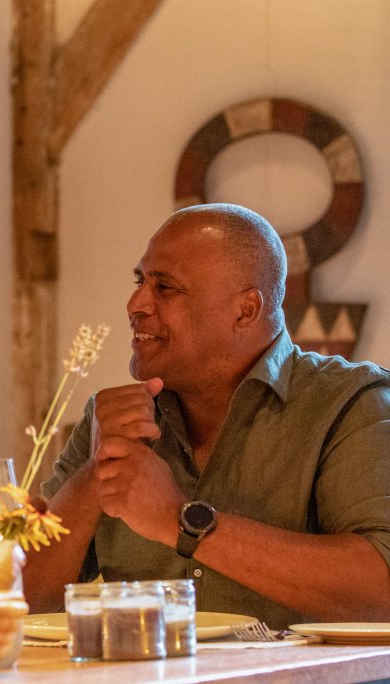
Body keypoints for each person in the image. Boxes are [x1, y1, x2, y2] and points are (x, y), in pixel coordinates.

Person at [24, 203, 390, 629]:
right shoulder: (109, 418)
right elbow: (23, 601)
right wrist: (94, 476)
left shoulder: (353, 403)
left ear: (245, 310)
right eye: (140, 280)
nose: (135, 303)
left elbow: (380, 592)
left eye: (166, 288)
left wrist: (181, 522)